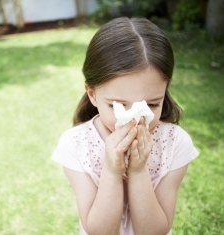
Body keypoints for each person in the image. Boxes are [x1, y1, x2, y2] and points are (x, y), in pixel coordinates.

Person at [51, 17, 199, 235]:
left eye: (152, 104)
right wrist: (112, 170)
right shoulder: (75, 144)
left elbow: (154, 231)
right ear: (92, 94)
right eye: (117, 106)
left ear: (164, 92)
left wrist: (139, 171)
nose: (135, 119)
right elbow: (100, 231)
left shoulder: (175, 143)